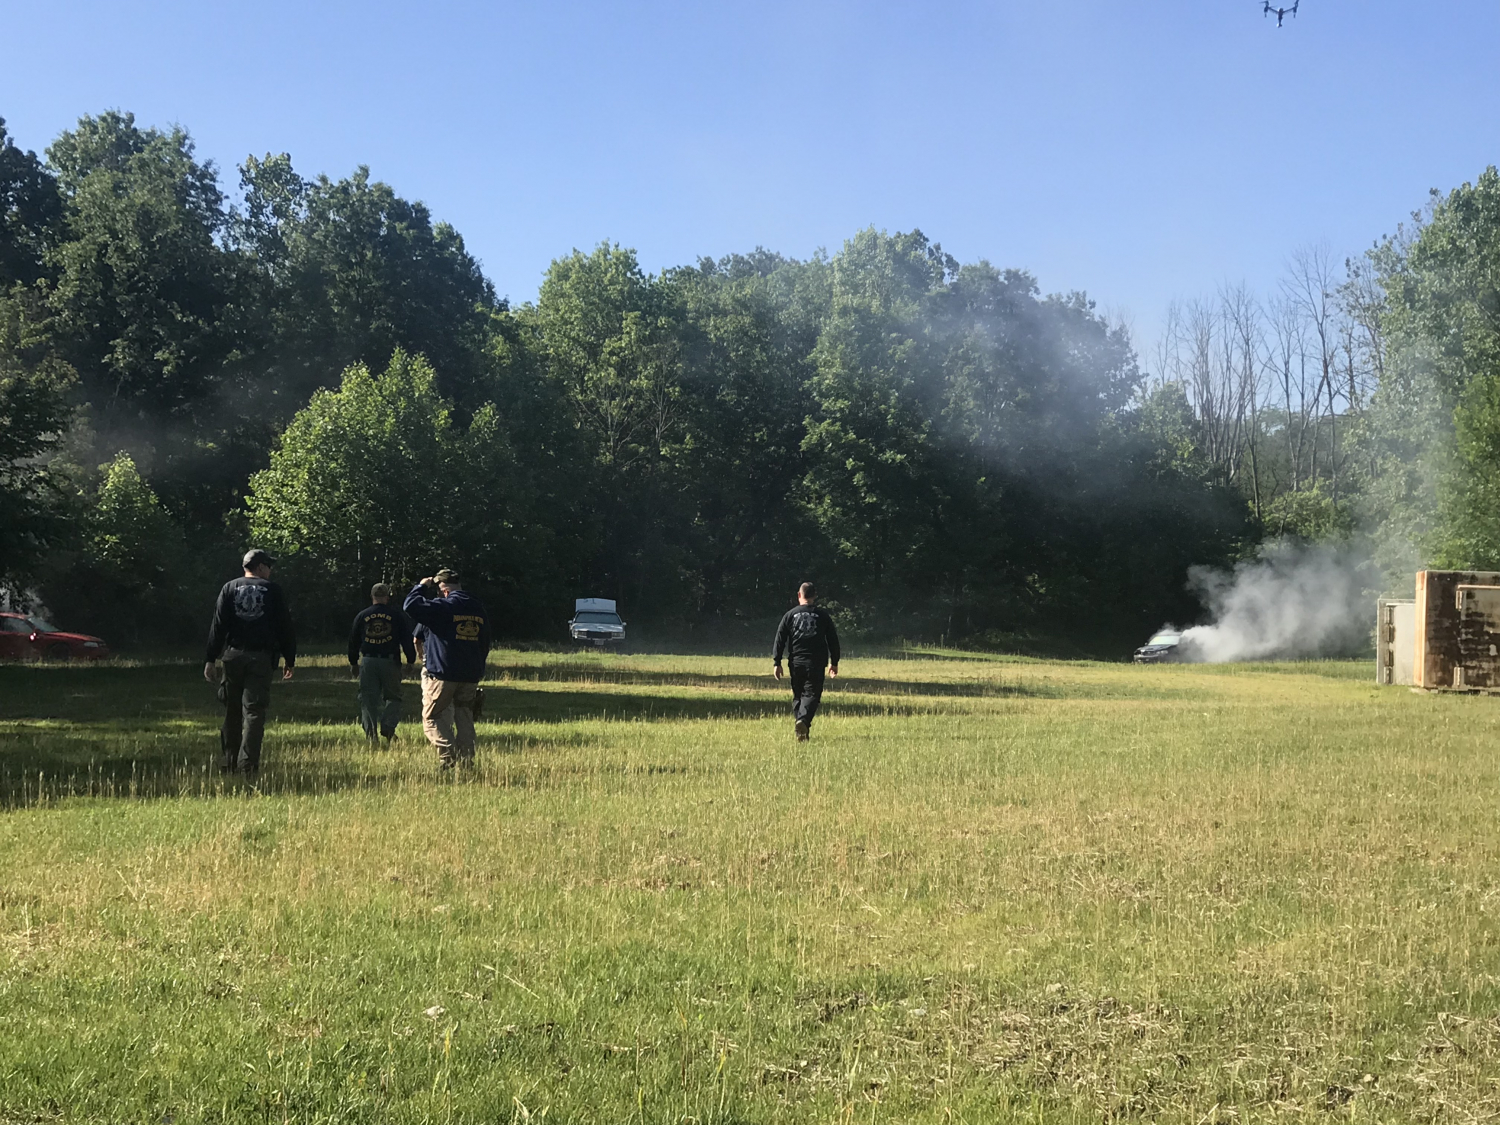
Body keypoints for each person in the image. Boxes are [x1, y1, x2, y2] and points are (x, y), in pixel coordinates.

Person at [204, 549, 296, 774]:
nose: (270, 570)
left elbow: (218, 626)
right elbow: (284, 626)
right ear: (261, 567)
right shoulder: (273, 590)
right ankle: (248, 763)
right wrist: (289, 658)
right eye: (269, 566)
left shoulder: (229, 588)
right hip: (261, 658)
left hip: (233, 656)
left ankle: (229, 761)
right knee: (254, 711)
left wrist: (210, 659)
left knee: (232, 710)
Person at [403, 568, 491, 768]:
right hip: (470, 674)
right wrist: (478, 666)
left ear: (443, 591)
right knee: (465, 715)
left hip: (444, 673)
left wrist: (421, 587)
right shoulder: (478, 608)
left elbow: (410, 606)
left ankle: (448, 757)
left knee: (432, 716)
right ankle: (467, 759)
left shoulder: (442, 607)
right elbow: (485, 642)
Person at [348, 583, 417, 746]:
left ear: (372, 597)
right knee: (394, 697)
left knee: (368, 699)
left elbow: (353, 640)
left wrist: (353, 662)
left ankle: (371, 736)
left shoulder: (362, 615)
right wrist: (411, 659)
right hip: (390, 661)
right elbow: (406, 639)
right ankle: (388, 726)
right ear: (387, 597)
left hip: (368, 661)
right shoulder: (396, 616)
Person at [772, 582, 841, 742]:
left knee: (798, 696)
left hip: (796, 662)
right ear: (814, 596)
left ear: (799, 595)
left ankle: (801, 730)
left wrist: (777, 662)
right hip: (816, 663)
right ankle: (802, 721)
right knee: (811, 695)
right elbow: (833, 640)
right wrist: (834, 661)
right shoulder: (823, 616)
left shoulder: (789, 615)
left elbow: (780, 639)